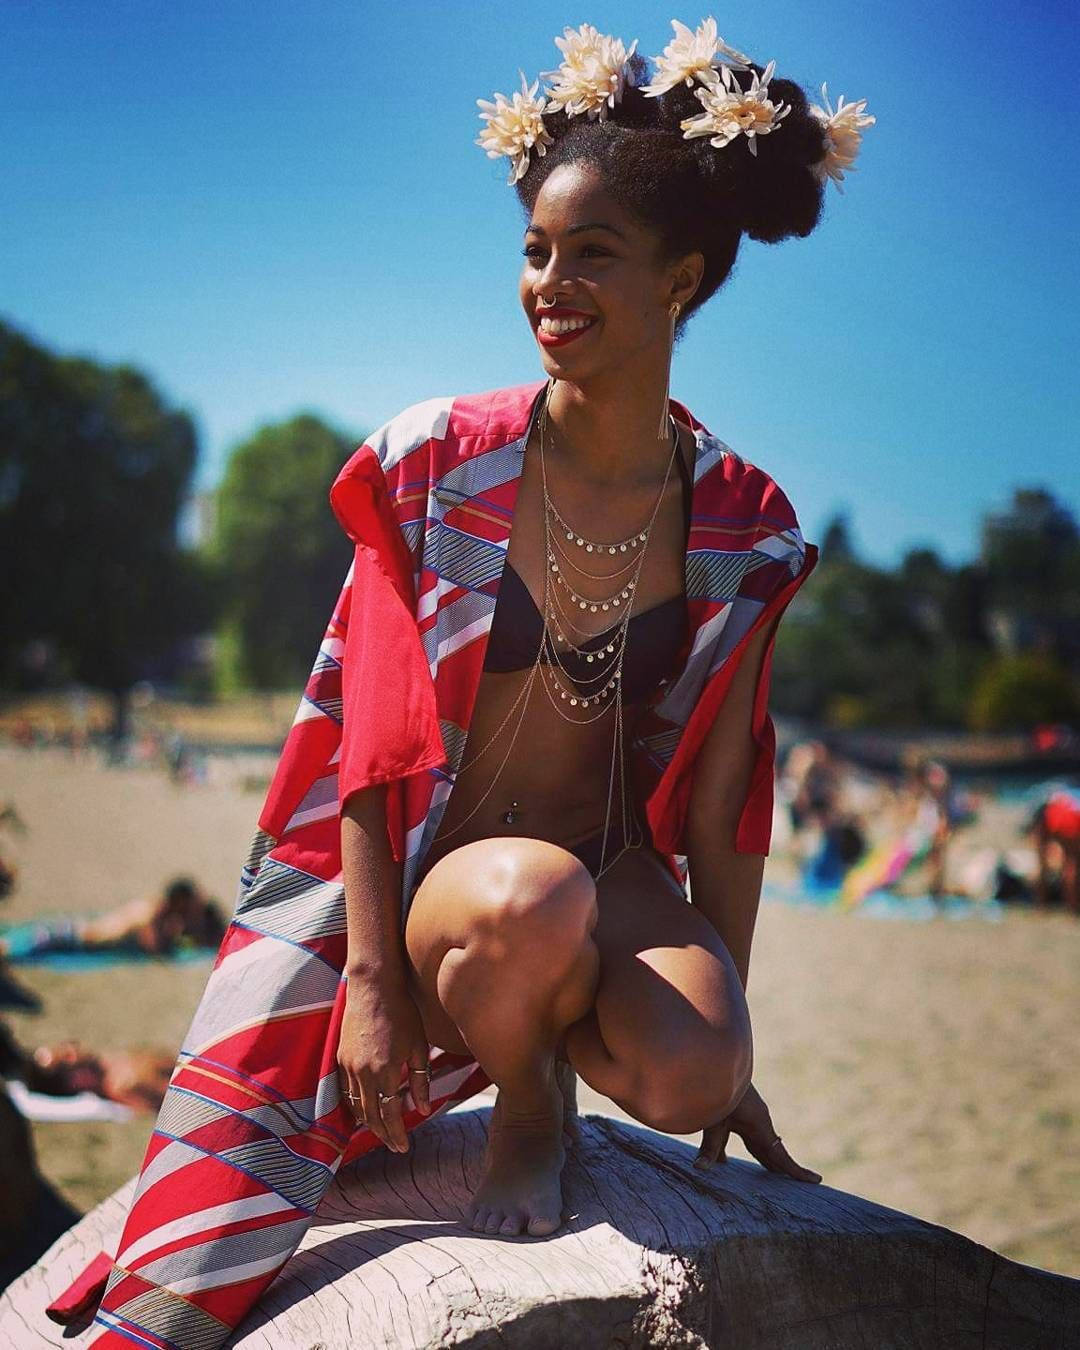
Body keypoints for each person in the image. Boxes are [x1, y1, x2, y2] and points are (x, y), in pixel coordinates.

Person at [83, 23, 873, 1349]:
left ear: (682, 281)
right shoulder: (440, 461)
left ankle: (587, 1052)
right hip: (443, 872)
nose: (550, 283)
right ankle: (523, 1097)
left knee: (687, 1062)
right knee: (529, 898)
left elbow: (732, 787)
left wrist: (728, 1028)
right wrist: (376, 978)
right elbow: (367, 736)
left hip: (606, 866)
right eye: (535, 251)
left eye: (593, 255)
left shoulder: (749, 523)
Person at [0, 876, 227, 960]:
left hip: (75, 933)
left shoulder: (157, 908)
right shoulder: (151, 914)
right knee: (12, 949)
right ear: (179, 901)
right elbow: (155, 947)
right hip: (77, 938)